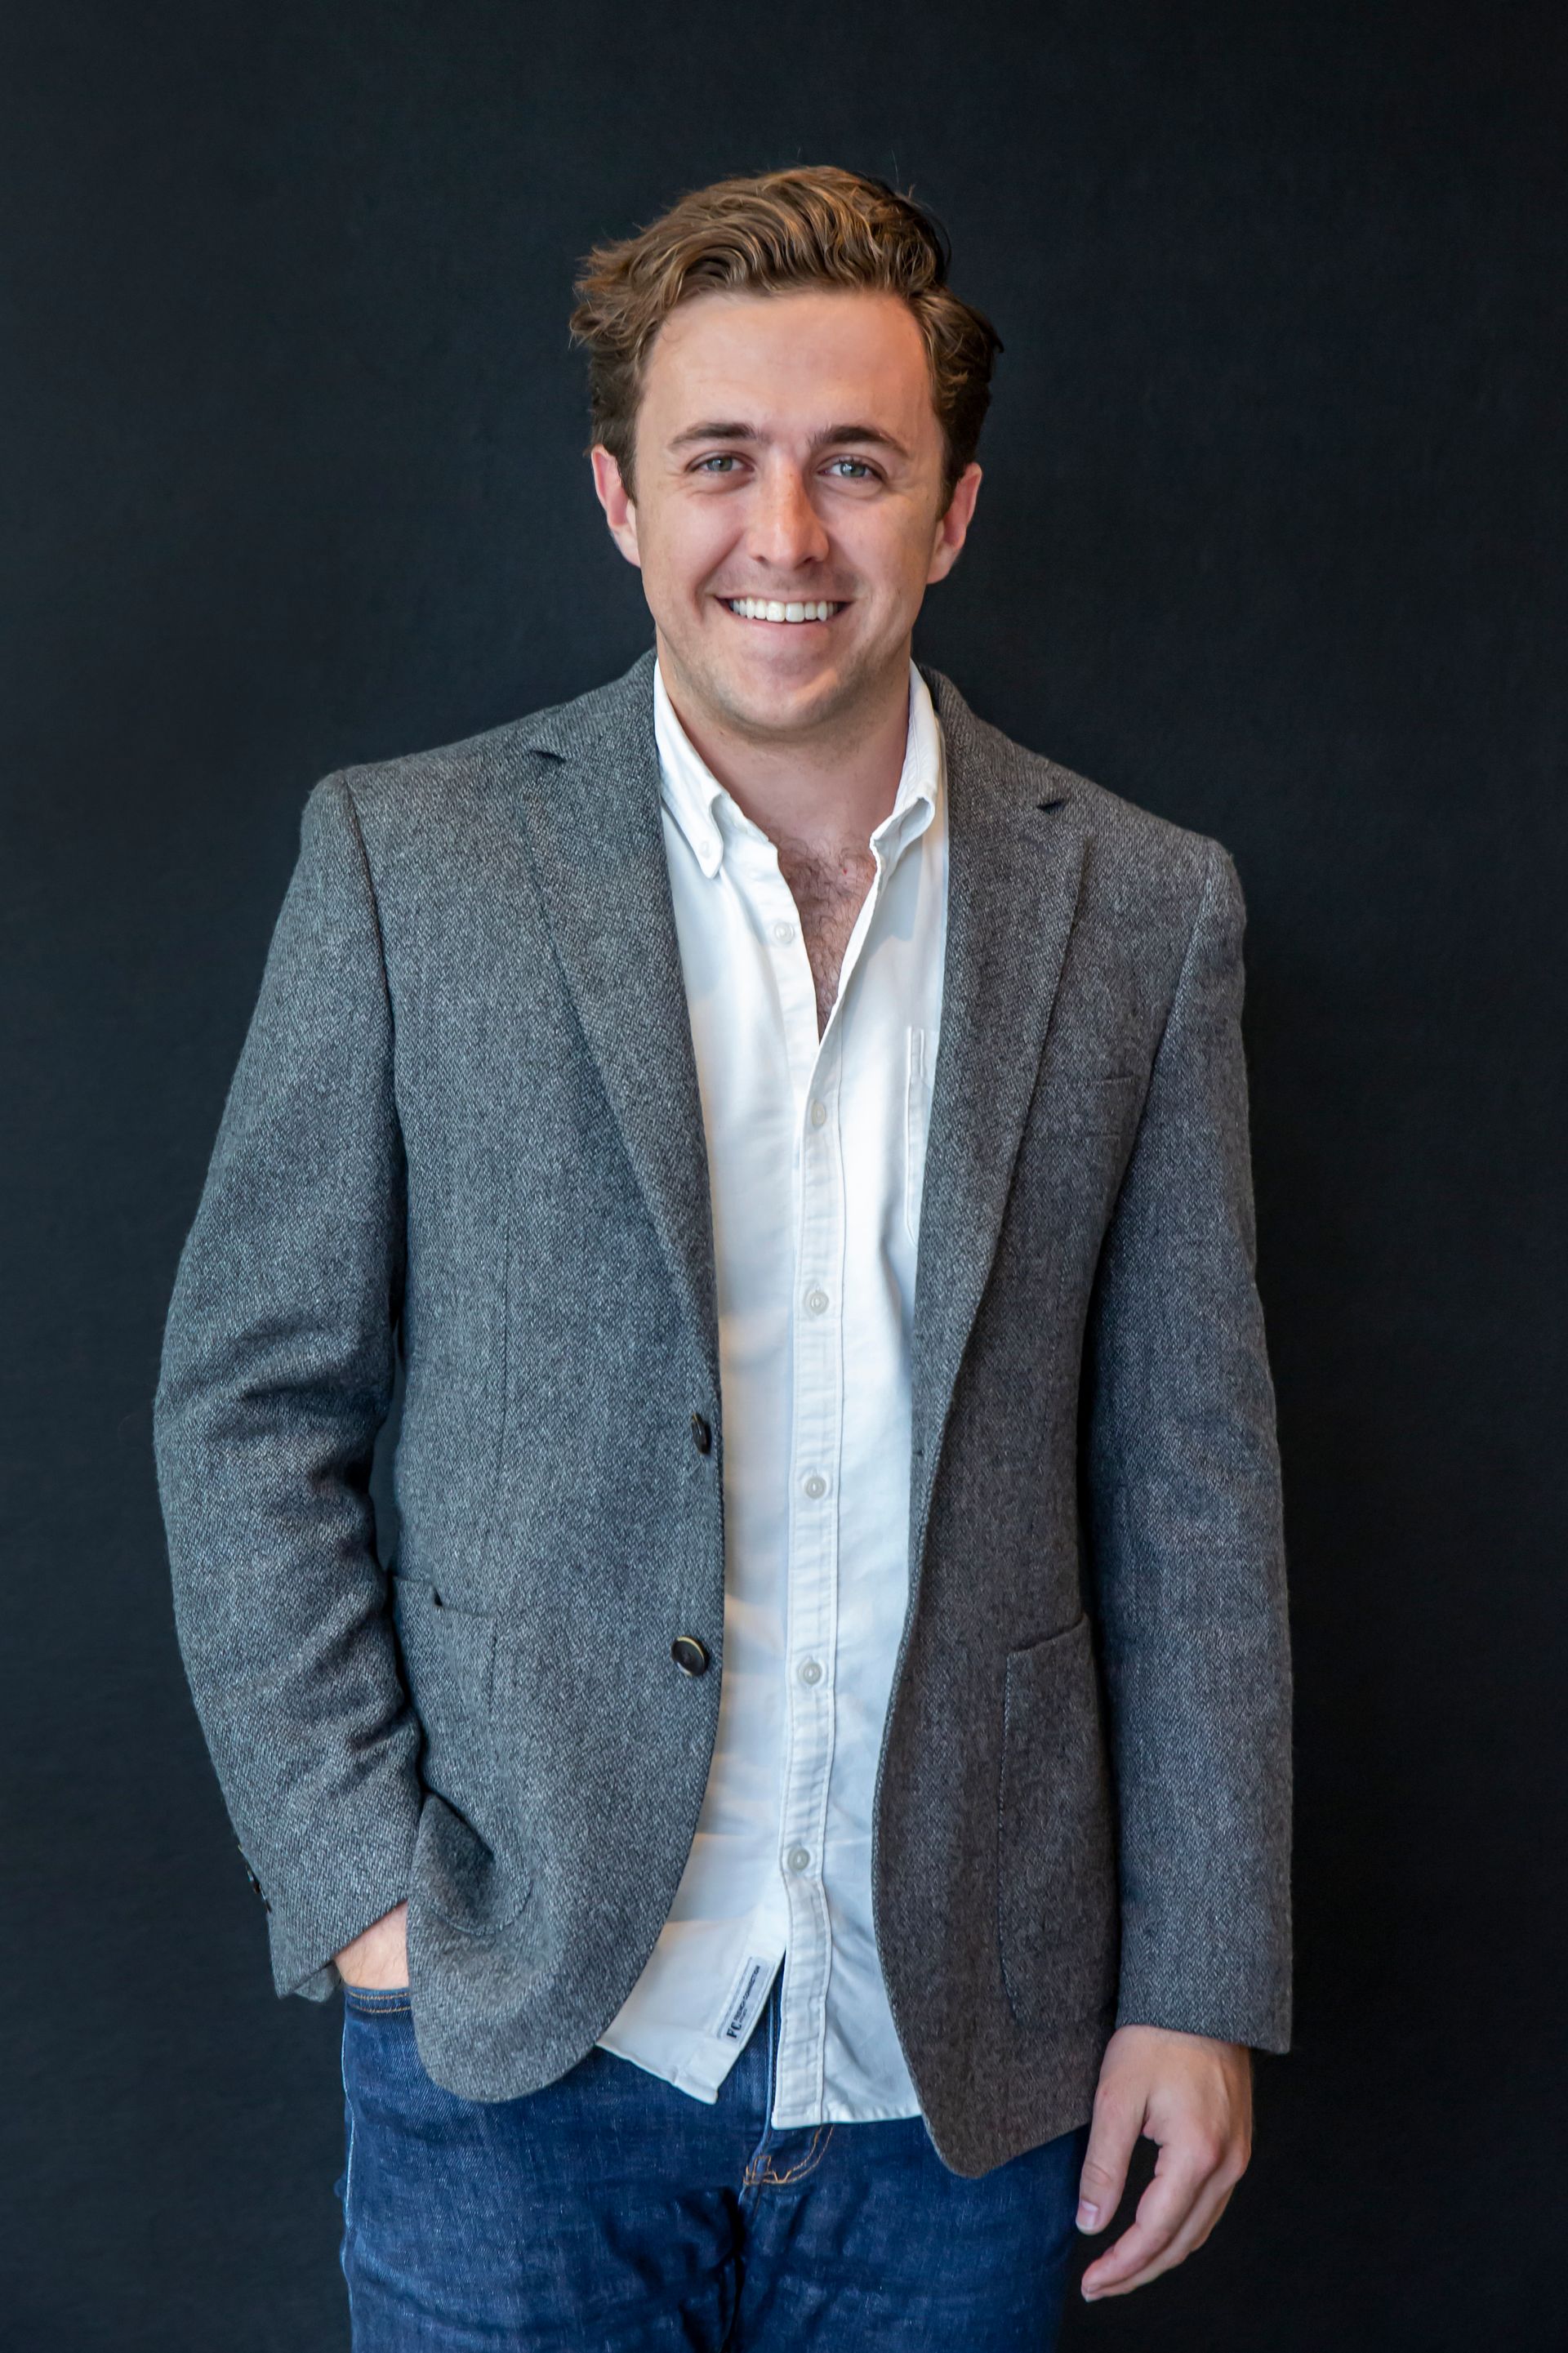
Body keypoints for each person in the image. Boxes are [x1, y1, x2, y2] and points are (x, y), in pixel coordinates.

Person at [153, 163, 1292, 2350]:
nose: (786, 536)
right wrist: (368, 1888)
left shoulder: (1145, 910)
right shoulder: (412, 863)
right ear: (617, 500)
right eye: (721, 464)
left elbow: (1195, 1487)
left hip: (967, 2076)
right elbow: (251, 1399)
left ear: (949, 512)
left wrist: (1200, 1978)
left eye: (854, 466)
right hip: (517, 2054)